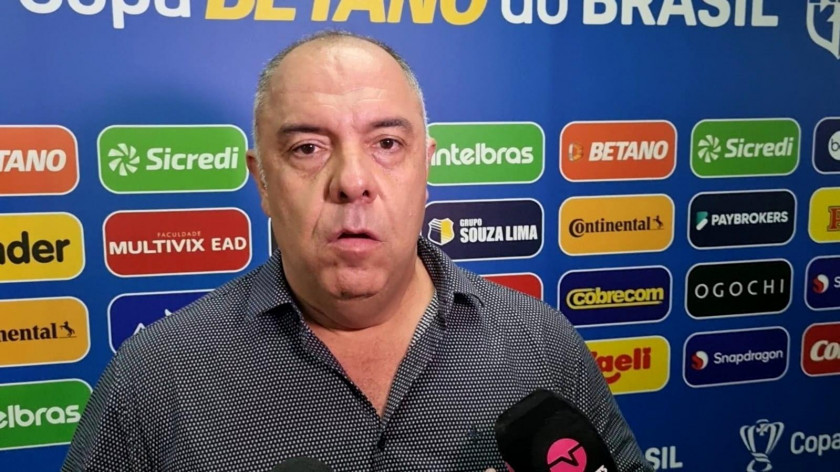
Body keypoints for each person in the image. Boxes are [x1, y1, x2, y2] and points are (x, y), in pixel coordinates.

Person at [63, 31, 650, 471]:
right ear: (263, 181)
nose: (352, 181)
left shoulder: (544, 346)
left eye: (387, 143)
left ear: (426, 169)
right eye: (308, 148)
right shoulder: (154, 380)